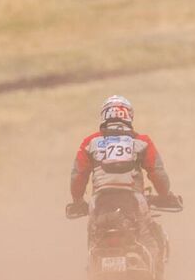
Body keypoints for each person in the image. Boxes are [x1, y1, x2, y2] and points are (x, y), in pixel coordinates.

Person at [68, 95, 180, 268]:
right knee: (150, 237)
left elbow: (78, 175)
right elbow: (157, 172)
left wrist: (77, 201)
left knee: (94, 238)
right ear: (129, 116)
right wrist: (165, 195)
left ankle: (93, 269)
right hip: (133, 201)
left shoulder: (90, 142)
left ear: (104, 115)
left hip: (99, 203)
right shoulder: (141, 141)